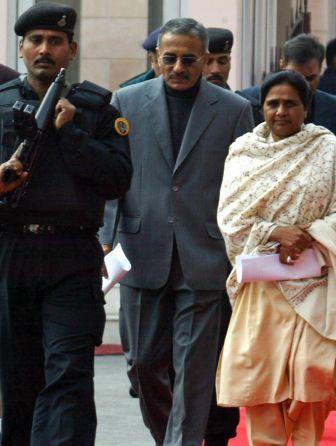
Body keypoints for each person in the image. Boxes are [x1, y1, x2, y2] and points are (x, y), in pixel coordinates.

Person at [99, 18, 254, 446]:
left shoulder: (234, 109)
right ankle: (169, 435)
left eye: (189, 59)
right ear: (156, 59)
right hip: (141, 248)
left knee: (194, 369)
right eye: (170, 58)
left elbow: (245, 184)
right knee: (143, 365)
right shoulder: (126, 101)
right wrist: (106, 235)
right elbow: (115, 176)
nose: (179, 67)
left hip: (205, 253)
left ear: (205, 60)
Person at [0, 2, 132, 445]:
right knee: (18, 380)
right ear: (21, 48)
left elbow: (118, 179)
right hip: (12, 252)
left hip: (72, 258)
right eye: (35, 40)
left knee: (70, 369)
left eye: (55, 41)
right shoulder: (0, 105)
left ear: (70, 50)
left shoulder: (94, 108)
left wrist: (71, 134)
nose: (44, 49)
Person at [216, 70, 336, 445]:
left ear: (306, 108)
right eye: (273, 104)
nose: (281, 111)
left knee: (310, 378)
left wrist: (308, 235)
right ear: (262, 107)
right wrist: (273, 232)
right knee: (262, 385)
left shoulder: (330, 151)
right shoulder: (243, 152)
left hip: (313, 285)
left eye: (290, 104)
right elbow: (230, 217)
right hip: (262, 291)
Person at [201, 24, 241, 446]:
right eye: (208, 60)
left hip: (229, 254)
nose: (215, 69)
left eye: (222, 61)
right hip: (176, 249)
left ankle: (218, 433)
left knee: (225, 351)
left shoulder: (245, 109)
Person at [238, 33, 336, 136]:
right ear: (282, 65)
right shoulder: (246, 103)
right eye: (296, 77)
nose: (303, 86)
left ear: (321, 69)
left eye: (310, 78)